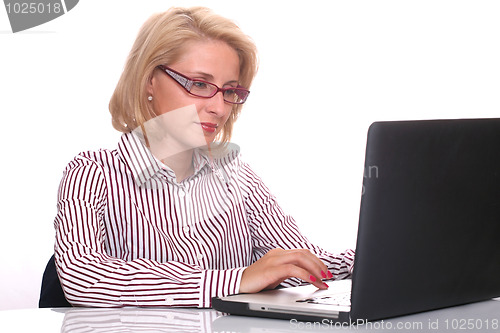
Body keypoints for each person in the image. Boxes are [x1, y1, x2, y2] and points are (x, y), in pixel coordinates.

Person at [54, 6, 355, 307]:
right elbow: (84, 277)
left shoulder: (238, 179)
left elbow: (299, 263)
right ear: (149, 80)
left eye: (229, 91)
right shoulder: (91, 173)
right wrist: (237, 280)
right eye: (199, 84)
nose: (220, 108)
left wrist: (379, 257)